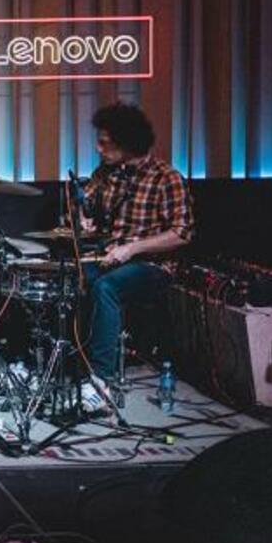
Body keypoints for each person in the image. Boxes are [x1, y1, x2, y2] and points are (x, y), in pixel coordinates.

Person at [78, 102, 193, 413]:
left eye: (105, 143)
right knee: (69, 278)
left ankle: (100, 380)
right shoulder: (106, 174)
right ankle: (66, 367)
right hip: (110, 257)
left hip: (152, 266)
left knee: (107, 287)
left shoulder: (166, 177)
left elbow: (182, 233)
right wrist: (83, 217)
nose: (98, 148)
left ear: (127, 142)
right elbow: (85, 204)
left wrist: (132, 248)